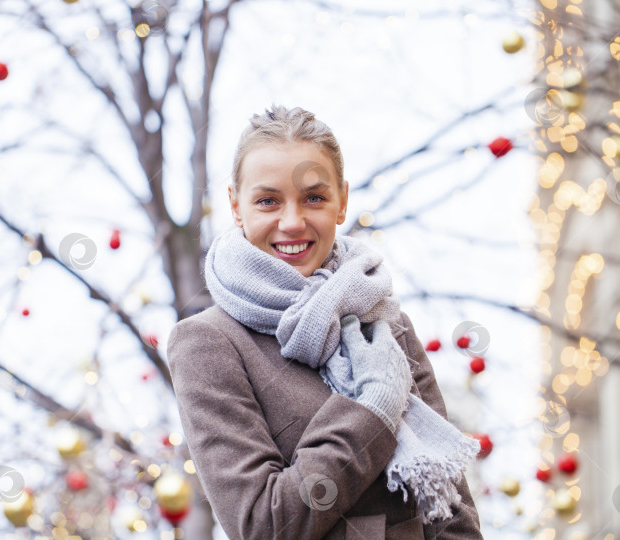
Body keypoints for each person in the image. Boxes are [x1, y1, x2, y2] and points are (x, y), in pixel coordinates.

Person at [167, 105, 483, 539]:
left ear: (342, 202)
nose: (292, 222)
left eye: (314, 197)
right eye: (267, 201)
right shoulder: (208, 343)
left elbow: (451, 514)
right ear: (236, 207)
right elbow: (265, 524)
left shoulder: (387, 322)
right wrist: (370, 410)